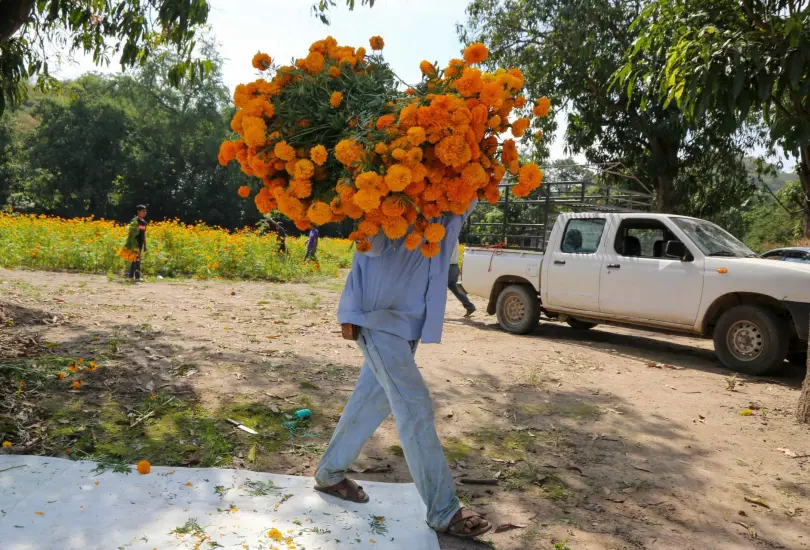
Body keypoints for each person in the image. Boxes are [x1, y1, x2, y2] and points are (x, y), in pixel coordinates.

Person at [314, 200, 492, 540]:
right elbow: (366, 234)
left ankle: (329, 473)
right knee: (414, 404)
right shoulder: (382, 202)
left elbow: (468, 199)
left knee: (370, 402)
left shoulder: (444, 207)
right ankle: (443, 509)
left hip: (409, 325)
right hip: (375, 321)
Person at [448, 237, 475, 317]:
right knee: (455, 288)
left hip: (447, 267)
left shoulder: (447, 237)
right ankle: (470, 307)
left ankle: (434, 312)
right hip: (455, 266)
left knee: (437, 290)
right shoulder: (455, 237)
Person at [126, 205, 147, 281]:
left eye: (145, 211)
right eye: (143, 211)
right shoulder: (134, 221)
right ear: (138, 211)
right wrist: (130, 243)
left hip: (141, 244)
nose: (145, 212)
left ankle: (130, 276)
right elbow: (130, 232)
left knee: (135, 260)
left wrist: (145, 245)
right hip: (134, 243)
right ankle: (137, 277)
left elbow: (144, 235)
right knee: (137, 260)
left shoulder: (144, 223)